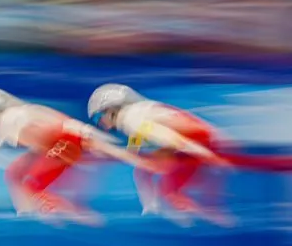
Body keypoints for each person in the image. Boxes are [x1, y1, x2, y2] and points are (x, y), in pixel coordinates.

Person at [0, 88, 160, 225]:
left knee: (32, 183)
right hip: (69, 139)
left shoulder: (7, 119)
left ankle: (80, 220)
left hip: (70, 140)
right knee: (16, 173)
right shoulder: (17, 115)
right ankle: (30, 216)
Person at [87, 83, 292, 227]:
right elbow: (137, 148)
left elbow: (165, 136)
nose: (100, 124)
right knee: (149, 174)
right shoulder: (135, 114)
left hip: (195, 143)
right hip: (200, 140)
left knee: (169, 190)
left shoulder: (131, 118)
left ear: (111, 109)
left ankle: (199, 220)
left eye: (98, 117)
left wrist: (200, 151)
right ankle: (190, 216)